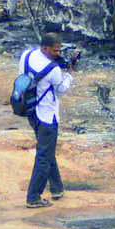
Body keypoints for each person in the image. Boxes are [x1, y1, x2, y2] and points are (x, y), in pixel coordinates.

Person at [19, 32, 74, 207]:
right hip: (47, 116)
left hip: (30, 110)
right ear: (45, 48)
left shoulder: (27, 55)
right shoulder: (54, 70)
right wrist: (69, 76)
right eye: (55, 51)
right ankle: (33, 197)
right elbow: (60, 91)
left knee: (47, 149)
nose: (58, 53)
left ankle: (57, 188)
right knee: (44, 156)